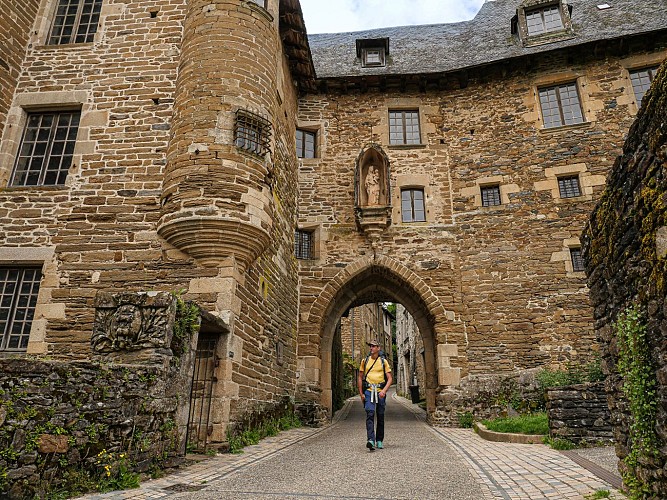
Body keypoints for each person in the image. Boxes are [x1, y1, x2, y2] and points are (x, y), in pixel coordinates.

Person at [358, 339, 393, 451]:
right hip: (368, 391)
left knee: (380, 415)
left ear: (378, 348)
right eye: (370, 346)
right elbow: (360, 377)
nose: (371, 348)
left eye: (373, 346)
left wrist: (384, 391)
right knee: (370, 413)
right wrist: (361, 393)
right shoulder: (365, 360)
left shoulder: (383, 362)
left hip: (380, 391)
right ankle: (370, 440)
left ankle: (379, 440)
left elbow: (390, 378)